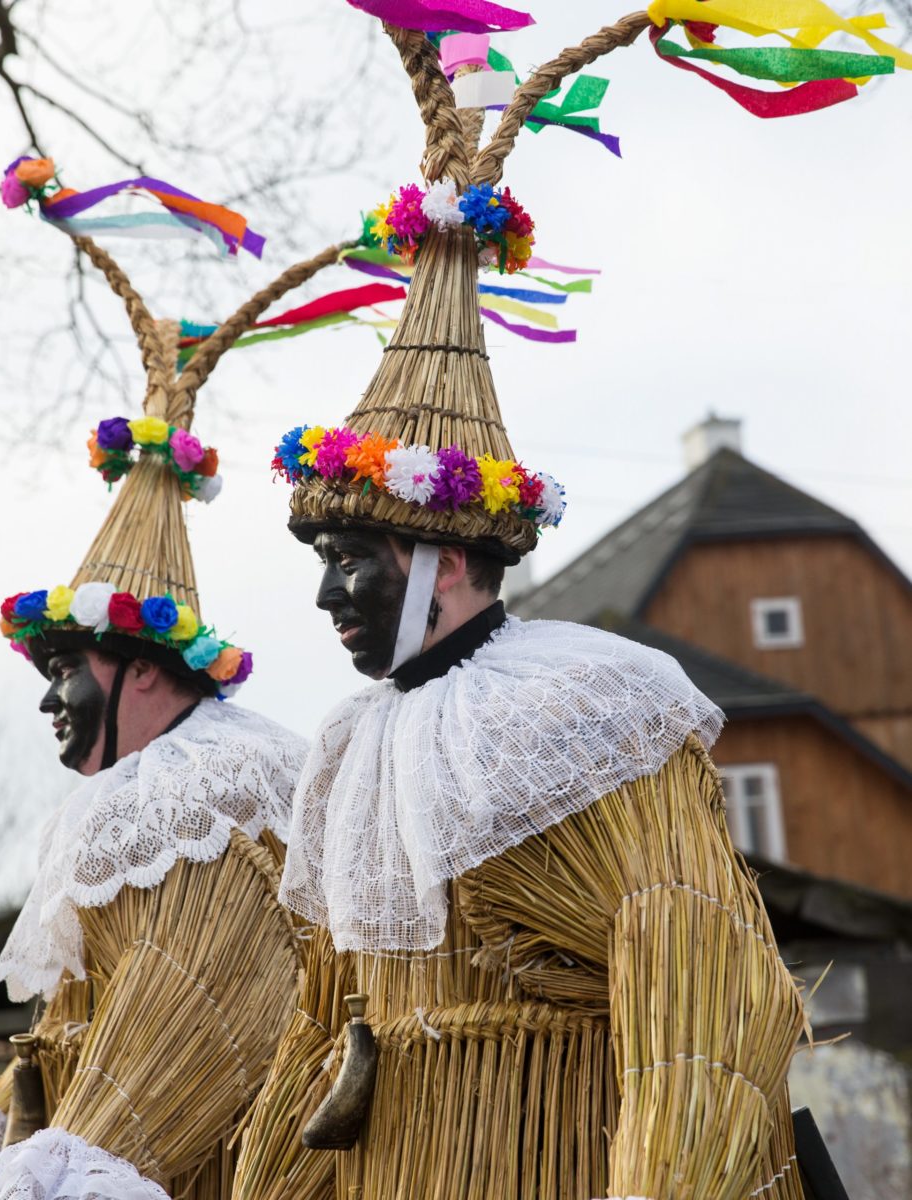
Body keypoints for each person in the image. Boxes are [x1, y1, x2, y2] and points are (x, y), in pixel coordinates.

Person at [231, 25, 807, 1200]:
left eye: (356, 557)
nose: (331, 593)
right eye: (322, 559)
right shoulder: (350, 743)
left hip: (554, 1159)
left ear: (447, 554)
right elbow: (321, 1023)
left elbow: (691, 972)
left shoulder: (588, 706)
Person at [0, 173, 354, 1200]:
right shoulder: (140, 794)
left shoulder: (199, 786)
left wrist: (60, 1172)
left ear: (146, 670)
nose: (52, 697)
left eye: (69, 670)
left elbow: (185, 1020)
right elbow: (76, 1036)